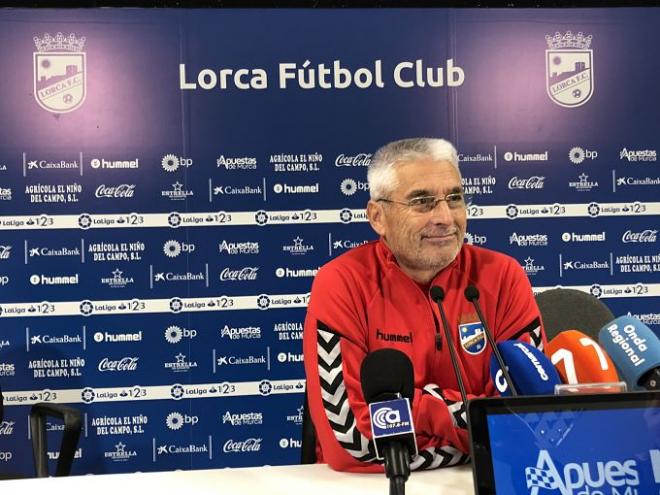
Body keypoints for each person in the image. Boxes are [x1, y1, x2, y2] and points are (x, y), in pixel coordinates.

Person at [303, 137, 545, 472]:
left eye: (455, 198)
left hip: (488, 481)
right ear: (377, 217)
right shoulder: (342, 282)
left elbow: (527, 421)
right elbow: (353, 444)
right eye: (423, 202)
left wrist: (414, 408)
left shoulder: (503, 276)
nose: (445, 217)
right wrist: (474, 431)